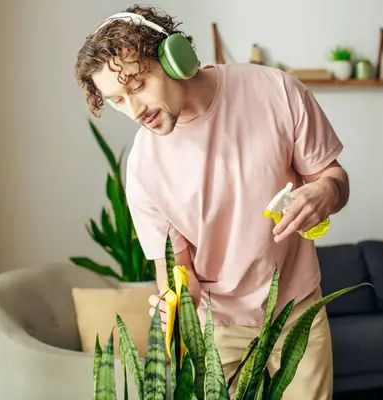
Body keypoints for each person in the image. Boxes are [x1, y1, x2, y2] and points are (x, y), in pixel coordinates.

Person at [74, 5, 350, 399]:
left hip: (298, 308)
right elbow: (175, 266)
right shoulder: (142, 168)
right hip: (217, 327)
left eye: (137, 85)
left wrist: (325, 192)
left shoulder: (277, 91)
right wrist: (176, 300)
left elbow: (335, 179)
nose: (134, 111)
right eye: (117, 100)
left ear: (173, 58)